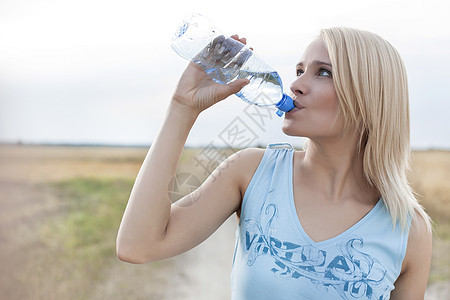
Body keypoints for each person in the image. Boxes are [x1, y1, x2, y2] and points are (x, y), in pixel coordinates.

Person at [116, 27, 432, 299]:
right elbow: (137, 245)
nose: (296, 85)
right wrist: (182, 108)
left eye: (323, 72)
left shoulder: (408, 230)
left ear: (370, 96)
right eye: (299, 70)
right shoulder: (251, 171)